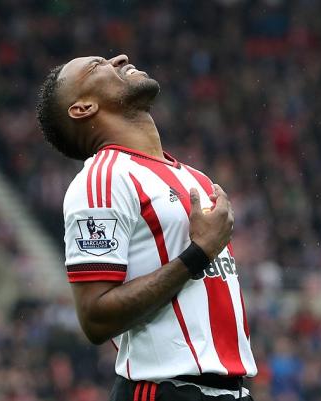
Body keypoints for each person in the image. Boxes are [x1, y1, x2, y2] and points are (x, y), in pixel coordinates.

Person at [37, 54, 257, 401]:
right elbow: (95, 318)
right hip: (165, 390)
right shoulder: (103, 179)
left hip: (232, 391)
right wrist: (197, 254)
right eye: (98, 66)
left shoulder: (192, 176)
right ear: (83, 108)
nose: (120, 58)